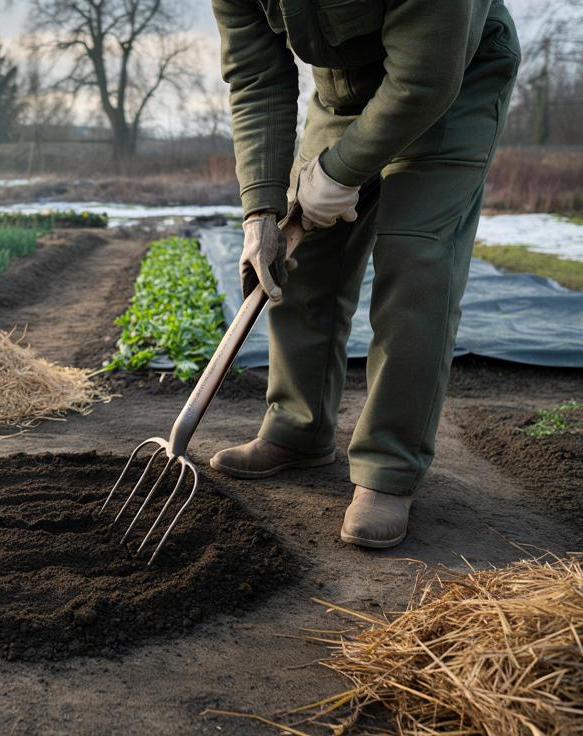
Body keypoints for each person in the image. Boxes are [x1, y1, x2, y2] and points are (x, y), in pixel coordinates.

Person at [208, 0, 520, 547]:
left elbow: (425, 77)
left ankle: (387, 470)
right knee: (297, 259)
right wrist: (260, 211)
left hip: (452, 83)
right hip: (344, 95)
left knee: (414, 262)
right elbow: (257, 78)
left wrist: (341, 170)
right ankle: (298, 429)